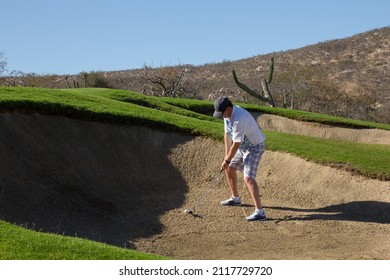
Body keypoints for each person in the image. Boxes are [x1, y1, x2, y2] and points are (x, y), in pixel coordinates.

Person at [213, 96, 267, 221]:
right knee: (230, 169)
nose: (222, 116)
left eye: (222, 113)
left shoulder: (238, 118)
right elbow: (227, 136)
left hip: (255, 147)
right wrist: (227, 158)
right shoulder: (227, 116)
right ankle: (235, 199)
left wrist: (226, 160)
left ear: (228, 108)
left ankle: (260, 212)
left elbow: (236, 143)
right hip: (243, 147)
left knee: (248, 178)